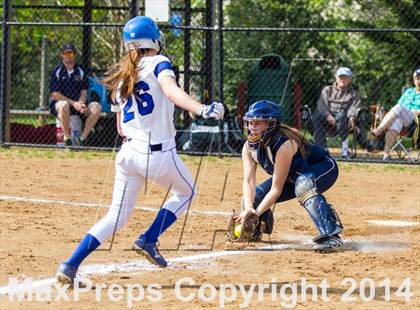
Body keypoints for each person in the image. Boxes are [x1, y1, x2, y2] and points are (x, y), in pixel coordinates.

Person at [56, 16, 224, 284]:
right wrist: (201, 109)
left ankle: (70, 264)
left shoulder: (123, 76)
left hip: (127, 154)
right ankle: (148, 238)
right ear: (153, 41)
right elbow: (171, 92)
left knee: (115, 216)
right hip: (157, 153)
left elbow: (121, 126)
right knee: (187, 191)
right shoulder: (159, 62)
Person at [237, 100, 344, 251]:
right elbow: (248, 181)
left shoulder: (284, 145)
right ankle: (256, 228)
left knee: (304, 185)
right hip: (293, 177)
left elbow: (276, 189)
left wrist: (256, 213)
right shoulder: (248, 147)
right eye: (250, 123)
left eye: (258, 123)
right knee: (252, 197)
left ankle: (331, 235)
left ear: (271, 125)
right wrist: (249, 209)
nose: (252, 128)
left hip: (324, 169)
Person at [49, 43, 102, 146]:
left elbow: (84, 92)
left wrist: (81, 103)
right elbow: (55, 94)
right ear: (62, 55)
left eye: (71, 53)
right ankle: (67, 139)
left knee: (96, 107)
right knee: (63, 105)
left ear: (75, 55)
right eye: (66, 53)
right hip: (61, 106)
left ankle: (82, 139)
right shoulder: (57, 71)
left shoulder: (80, 71)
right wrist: (74, 103)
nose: (68, 56)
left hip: (77, 105)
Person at [370, 68, 420, 160]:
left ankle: (379, 130)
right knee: (396, 122)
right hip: (402, 116)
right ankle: (386, 154)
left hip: (414, 119)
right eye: (418, 78)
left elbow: (400, 106)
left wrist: (417, 111)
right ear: (414, 80)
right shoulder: (408, 91)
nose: (419, 80)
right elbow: (400, 104)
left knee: (398, 107)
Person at [311, 67, 362, 158]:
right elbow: (322, 105)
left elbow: (354, 107)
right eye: (340, 77)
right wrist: (328, 116)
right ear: (336, 78)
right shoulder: (327, 90)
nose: (342, 79)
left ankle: (345, 151)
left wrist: (351, 117)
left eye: (345, 77)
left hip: (344, 122)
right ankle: (322, 149)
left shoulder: (354, 94)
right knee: (317, 116)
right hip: (327, 120)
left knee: (341, 115)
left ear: (350, 79)